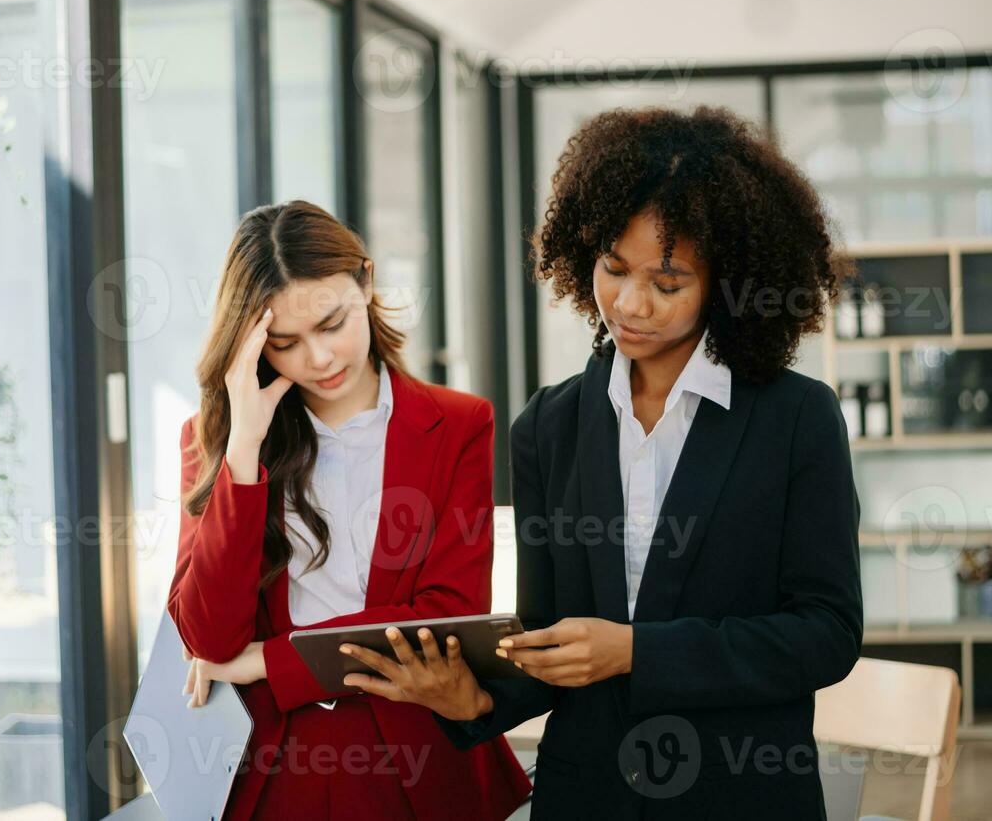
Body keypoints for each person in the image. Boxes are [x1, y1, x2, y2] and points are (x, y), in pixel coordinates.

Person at [339, 106, 864, 818]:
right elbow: (550, 641)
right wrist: (472, 697)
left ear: (728, 285)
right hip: (586, 796)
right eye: (613, 268)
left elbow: (826, 634)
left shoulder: (796, 419)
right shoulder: (547, 427)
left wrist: (637, 652)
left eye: (669, 283)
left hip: (740, 795)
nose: (631, 303)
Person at [167, 200, 530, 821]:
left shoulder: (460, 424)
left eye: (332, 324)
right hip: (275, 769)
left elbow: (445, 615)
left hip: (419, 755)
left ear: (365, 282)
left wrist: (270, 660)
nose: (319, 359)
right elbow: (207, 637)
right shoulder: (220, 439)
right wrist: (244, 453)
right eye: (284, 343)